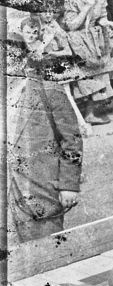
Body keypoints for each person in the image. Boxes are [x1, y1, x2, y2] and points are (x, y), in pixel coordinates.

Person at [7, 20, 83, 241]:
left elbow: (72, 140)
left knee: (46, 251)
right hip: (9, 189)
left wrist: (69, 185)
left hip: (40, 189)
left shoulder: (49, 91)